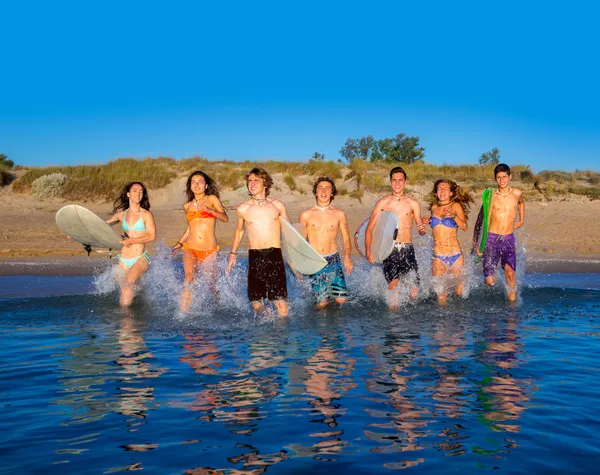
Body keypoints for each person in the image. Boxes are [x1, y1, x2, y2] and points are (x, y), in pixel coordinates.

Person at [226, 167, 291, 316]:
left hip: (275, 255)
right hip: (255, 256)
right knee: (256, 303)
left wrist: (296, 262)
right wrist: (232, 254)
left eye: (256, 180)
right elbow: (239, 231)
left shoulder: (277, 205)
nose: (252, 183)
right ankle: (266, 330)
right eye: (249, 181)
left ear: (265, 184)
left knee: (281, 304)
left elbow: (290, 233)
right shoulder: (243, 208)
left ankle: (281, 334)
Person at [365, 167, 426, 308]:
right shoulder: (383, 203)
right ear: (390, 182)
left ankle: (409, 316)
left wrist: (422, 229)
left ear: (405, 182)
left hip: (407, 249)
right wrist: (368, 252)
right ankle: (394, 321)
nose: (397, 183)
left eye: (400, 180)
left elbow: (420, 226)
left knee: (414, 292)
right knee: (393, 285)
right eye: (394, 180)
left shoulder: (413, 203)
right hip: (390, 249)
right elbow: (369, 228)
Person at [172, 171, 229, 312]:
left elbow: (225, 218)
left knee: (211, 285)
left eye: (200, 181)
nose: (197, 184)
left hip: (209, 250)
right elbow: (190, 228)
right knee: (189, 278)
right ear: (190, 186)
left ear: (206, 185)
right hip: (190, 248)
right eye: (193, 181)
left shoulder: (211, 199)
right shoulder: (187, 206)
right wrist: (179, 244)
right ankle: (183, 314)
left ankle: (218, 308)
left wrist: (210, 210)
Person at [298, 177, 353, 308]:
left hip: (333, 259)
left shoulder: (339, 213)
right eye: (320, 188)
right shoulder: (306, 214)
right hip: (315, 260)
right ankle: (319, 323)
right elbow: (299, 242)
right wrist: (299, 265)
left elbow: (346, 238)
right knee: (322, 304)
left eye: (327, 188)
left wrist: (347, 257)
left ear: (332, 193)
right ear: (316, 192)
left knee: (341, 301)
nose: (324, 191)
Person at [473, 163, 525, 302]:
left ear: (510, 177)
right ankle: (491, 286)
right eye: (498, 177)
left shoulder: (516, 193)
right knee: (490, 281)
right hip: (491, 239)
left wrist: (521, 219)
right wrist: (476, 243)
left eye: (504, 177)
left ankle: (512, 312)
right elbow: (479, 221)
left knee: (510, 274)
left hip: (508, 238)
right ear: (495, 179)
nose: (502, 180)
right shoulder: (490, 196)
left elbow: (521, 202)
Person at [422, 179, 474, 304]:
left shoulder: (455, 206)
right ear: (436, 192)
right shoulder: (434, 207)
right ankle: (442, 322)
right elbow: (438, 226)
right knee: (441, 293)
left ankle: (458, 319)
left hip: (455, 255)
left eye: (445, 189)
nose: (442, 191)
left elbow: (464, 227)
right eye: (439, 188)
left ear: (451, 193)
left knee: (458, 293)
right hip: (438, 256)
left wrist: (453, 216)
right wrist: (428, 221)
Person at [106, 182, 156, 307]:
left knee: (128, 285)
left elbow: (152, 236)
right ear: (128, 194)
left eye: (140, 191)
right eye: (135, 190)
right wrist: (78, 232)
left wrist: (132, 241)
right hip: (123, 260)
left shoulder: (146, 214)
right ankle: (137, 307)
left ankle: (125, 321)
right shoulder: (121, 215)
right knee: (125, 289)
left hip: (140, 258)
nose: (138, 193)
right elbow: (100, 226)